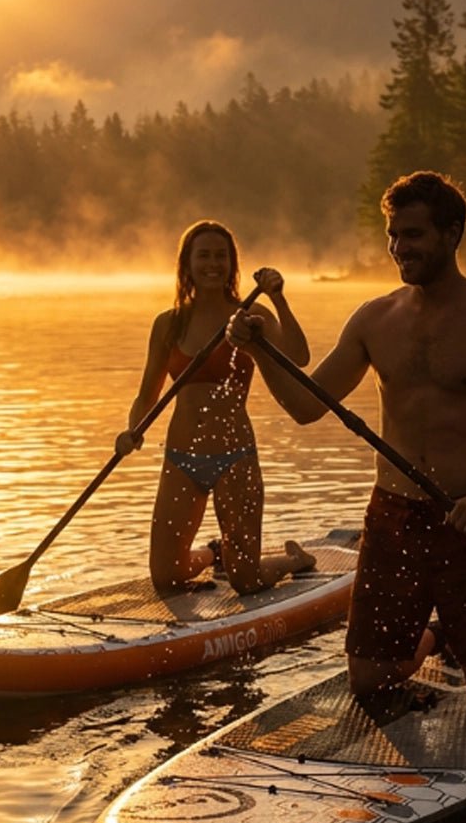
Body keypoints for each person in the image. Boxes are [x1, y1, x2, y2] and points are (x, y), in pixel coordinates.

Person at [227, 170, 466, 708]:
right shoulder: (374, 318)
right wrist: (260, 348)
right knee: (370, 680)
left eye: (413, 235)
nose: (399, 248)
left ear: (452, 234)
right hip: (393, 516)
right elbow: (308, 406)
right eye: (393, 236)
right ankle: (442, 635)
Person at [115, 220, 316, 594]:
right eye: (203, 255)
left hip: (235, 458)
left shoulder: (250, 318)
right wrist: (132, 431)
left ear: (232, 264)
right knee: (167, 578)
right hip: (180, 459)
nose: (213, 264)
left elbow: (300, 357)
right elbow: (147, 395)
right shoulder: (168, 324)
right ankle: (213, 554)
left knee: (247, 581)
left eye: (221, 256)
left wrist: (278, 297)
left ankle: (295, 560)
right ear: (187, 264)